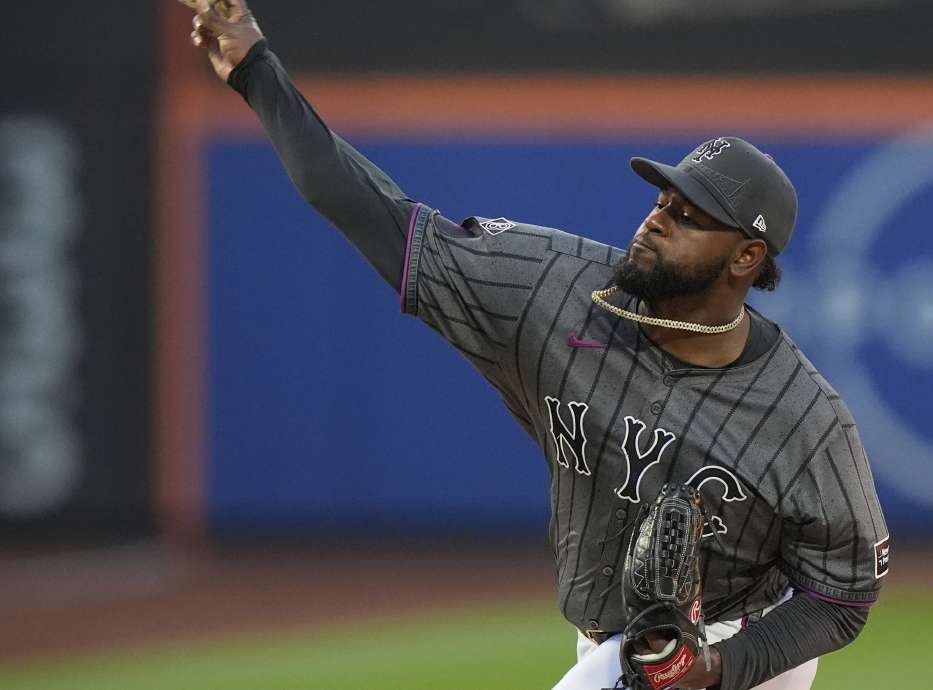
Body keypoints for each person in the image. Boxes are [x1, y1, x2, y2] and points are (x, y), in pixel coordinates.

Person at [185, 2, 890, 688]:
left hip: (736, 645)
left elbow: (844, 593)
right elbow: (370, 212)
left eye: (688, 217)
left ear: (745, 258)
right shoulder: (551, 291)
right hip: (623, 643)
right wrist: (255, 68)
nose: (655, 222)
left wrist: (719, 670)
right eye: (661, 201)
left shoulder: (803, 420)